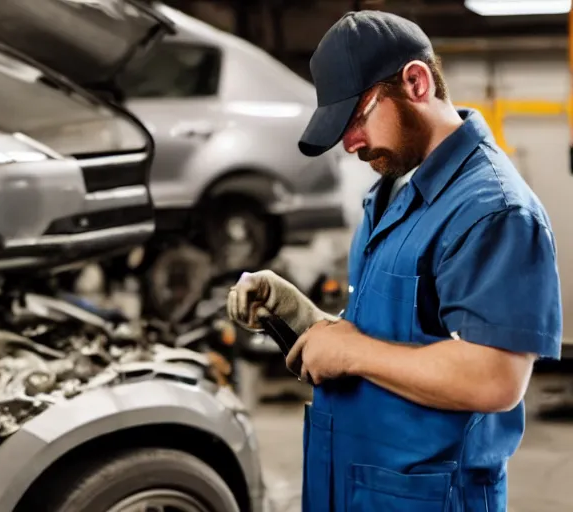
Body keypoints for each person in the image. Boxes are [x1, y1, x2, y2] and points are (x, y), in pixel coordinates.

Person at [226, 9, 562, 512]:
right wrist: (305, 319)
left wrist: (350, 353)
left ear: (416, 82)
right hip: (354, 484)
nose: (350, 143)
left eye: (357, 119)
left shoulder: (493, 209)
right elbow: (393, 338)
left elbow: (494, 378)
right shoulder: (393, 189)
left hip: (426, 496)